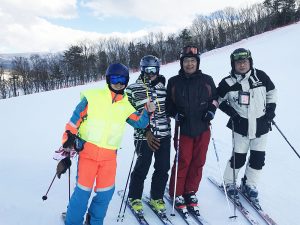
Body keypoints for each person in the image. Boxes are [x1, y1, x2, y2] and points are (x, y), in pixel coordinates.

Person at [56, 63, 155, 225]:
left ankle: (94, 221)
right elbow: (73, 123)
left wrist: (148, 111)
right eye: (115, 78)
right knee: (82, 193)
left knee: (105, 193)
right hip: (87, 154)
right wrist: (67, 146)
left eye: (123, 79)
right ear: (108, 79)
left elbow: (140, 123)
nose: (119, 83)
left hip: (109, 158)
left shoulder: (126, 105)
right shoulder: (93, 97)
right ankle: (72, 221)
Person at [217, 48, 277, 204]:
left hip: (261, 125)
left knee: (258, 159)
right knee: (239, 158)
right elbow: (218, 100)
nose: (242, 65)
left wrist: (271, 109)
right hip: (241, 126)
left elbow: (272, 92)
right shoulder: (227, 83)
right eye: (238, 62)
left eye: (245, 61)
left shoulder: (261, 76)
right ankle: (229, 182)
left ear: (250, 62)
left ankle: (249, 184)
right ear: (233, 64)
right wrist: (232, 113)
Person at [166, 46, 218, 210]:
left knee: (198, 161)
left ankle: (190, 190)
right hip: (184, 129)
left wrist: (211, 111)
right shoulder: (174, 81)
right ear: (182, 63)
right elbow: (168, 105)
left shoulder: (207, 80)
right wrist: (175, 114)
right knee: (183, 160)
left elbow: (215, 99)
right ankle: (177, 192)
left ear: (197, 62)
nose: (189, 64)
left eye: (192, 61)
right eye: (186, 61)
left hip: (203, 128)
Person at [126, 55, 171, 214]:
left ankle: (156, 196)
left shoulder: (163, 89)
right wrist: (146, 132)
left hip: (164, 134)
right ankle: (134, 196)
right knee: (142, 167)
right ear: (142, 70)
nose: (150, 73)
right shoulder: (132, 89)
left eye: (154, 70)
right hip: (144, 137)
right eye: (147, 69)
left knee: (163, 167)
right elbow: (128, 115)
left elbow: (170, 109)